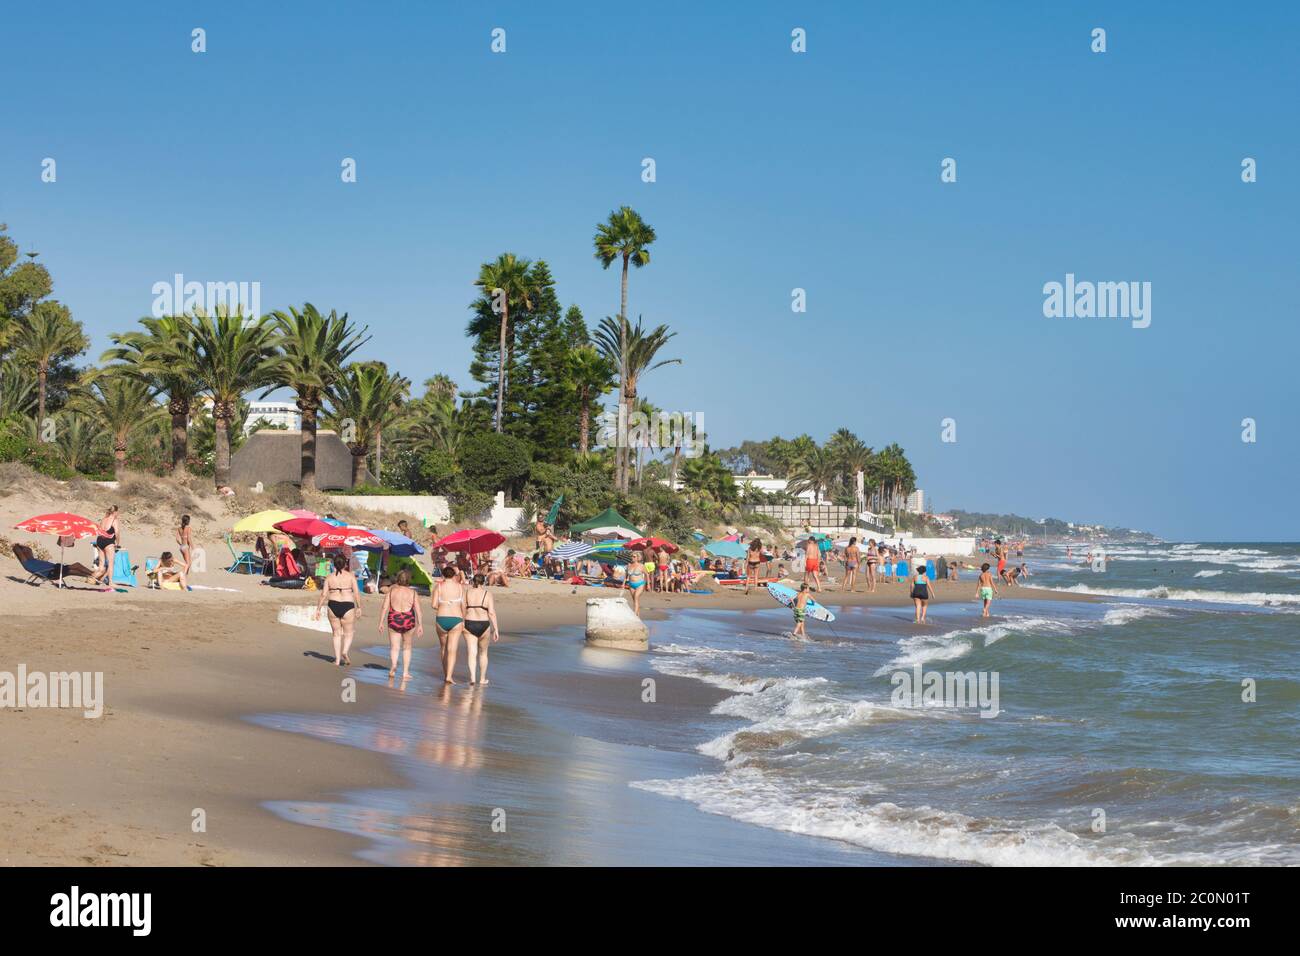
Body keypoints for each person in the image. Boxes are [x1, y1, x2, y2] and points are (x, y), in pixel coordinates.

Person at [315, 554, 361, 666]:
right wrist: (359, 607)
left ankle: (337, 660)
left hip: (333, 604)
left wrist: (318, 609)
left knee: (336, 634)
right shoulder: (350, 576)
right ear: (345, 564)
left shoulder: (329, 577)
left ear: (334, 564)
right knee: (349, 633)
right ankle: (345, 651)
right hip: (347, 605)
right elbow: (356, 593)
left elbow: (323, 594)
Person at [378, 567, 422, 680]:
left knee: (394, 646)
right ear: (408, 580)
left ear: (398, 579)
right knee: (407, 646)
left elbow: (384, 607)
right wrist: (420, 624)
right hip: (408, 619)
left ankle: (393, 665)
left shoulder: (392, 591)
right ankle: (405, 672)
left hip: (394, 617)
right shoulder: (413, 593)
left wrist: (381, 622)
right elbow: (418, 610)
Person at [463, 573, 501, 685]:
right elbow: (492, 613)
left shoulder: (467, 593)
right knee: (483, 653)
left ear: (473, 581)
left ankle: (473, 678)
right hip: (484, 624)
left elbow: (463, 609)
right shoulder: (487, 594)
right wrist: (496, 629)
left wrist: (461, 622)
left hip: (469, 622)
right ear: (483, 582)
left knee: (472, 652)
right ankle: (482, 679)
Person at [432, 565, 466, 684]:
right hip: (456, 619)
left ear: (443, 575)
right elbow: (463, 606)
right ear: (454, 576)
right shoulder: (460, 587)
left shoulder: (439, 587)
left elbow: (434, 605)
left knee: (443, 649)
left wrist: (444, 603)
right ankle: (449, 676)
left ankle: (445, 673)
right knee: (452, 649)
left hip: (442, 618)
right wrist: (464, 621)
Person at [90, 505, 121, 585]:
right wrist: (118, 543)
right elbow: (117, 533)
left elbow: (99, 530)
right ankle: (110, 582)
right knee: (111, 563)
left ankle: (91, 578)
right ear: (115, 512)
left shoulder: (104, 519)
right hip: (108, 541)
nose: (118, 514)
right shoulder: (115, 520)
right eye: (118, 512)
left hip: (99, 541)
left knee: (101, 566)